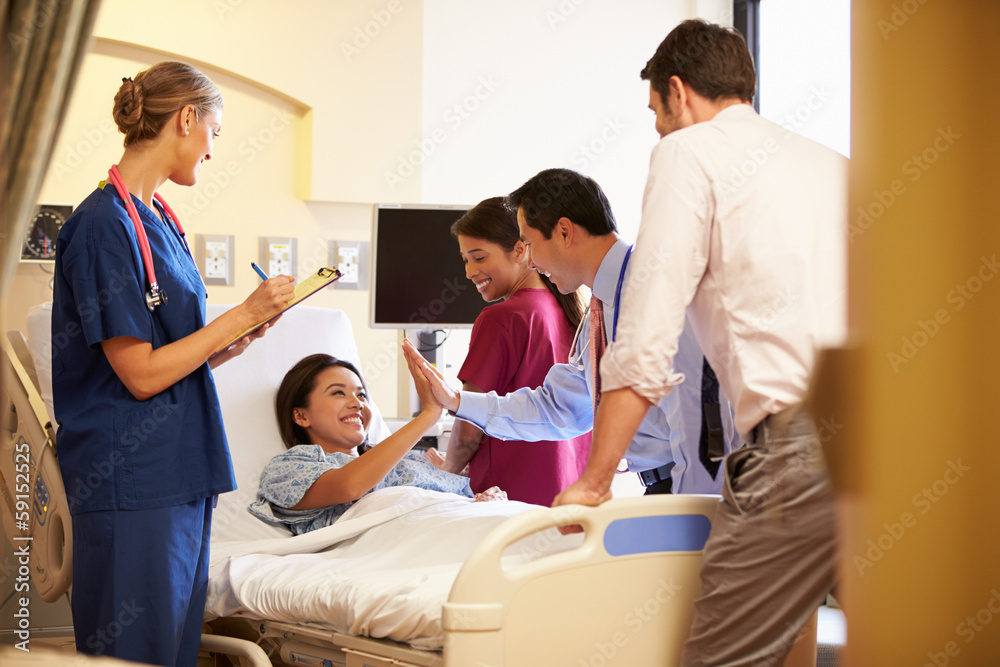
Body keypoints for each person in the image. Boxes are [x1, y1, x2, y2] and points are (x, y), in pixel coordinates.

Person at [560, 20, 848, 666]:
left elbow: (645, 341)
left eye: (656, 116)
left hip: (797, 451)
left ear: (678, 92)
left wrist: (594, 481)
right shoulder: (832, 164)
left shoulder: (688, 154)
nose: (659, 132)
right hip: (888, 445)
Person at [51, 62, 295, 666]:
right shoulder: (101, 227)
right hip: (133, 475)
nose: (212, 150)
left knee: (172, 653)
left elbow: (168, 356)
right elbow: (139, 375)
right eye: (214, 131)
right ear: (186, 119)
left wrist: (231, 343)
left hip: (181, 470)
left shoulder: (157, 219)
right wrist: (240, 315)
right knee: (136, 654)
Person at [406, 169, 741, 497]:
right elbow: (559, 408)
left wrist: (694, 521)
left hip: (696, 492)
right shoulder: (601, 309)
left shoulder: (654, 290)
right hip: (666, 487)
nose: (529, 262)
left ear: (564, 232)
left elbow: (701, 426)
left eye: (529, 244)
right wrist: (457, 401)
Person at [434, 196, 589, 506]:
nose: (469, 271)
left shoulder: (501, 318)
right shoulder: (571, 313)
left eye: (479, 257)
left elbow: (467, 435)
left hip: (509, 501)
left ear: (520, 250)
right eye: (465, 260)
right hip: (568, 498)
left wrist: (442, 474)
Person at [250, 346, 505, 534]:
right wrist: (428, 415)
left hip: (466, 529)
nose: (357, 404)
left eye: (361, 395)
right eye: (338, 393)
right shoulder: (289, 467)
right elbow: (350, 487)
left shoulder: (408, 462)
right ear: (301, 415)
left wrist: (483, 502)